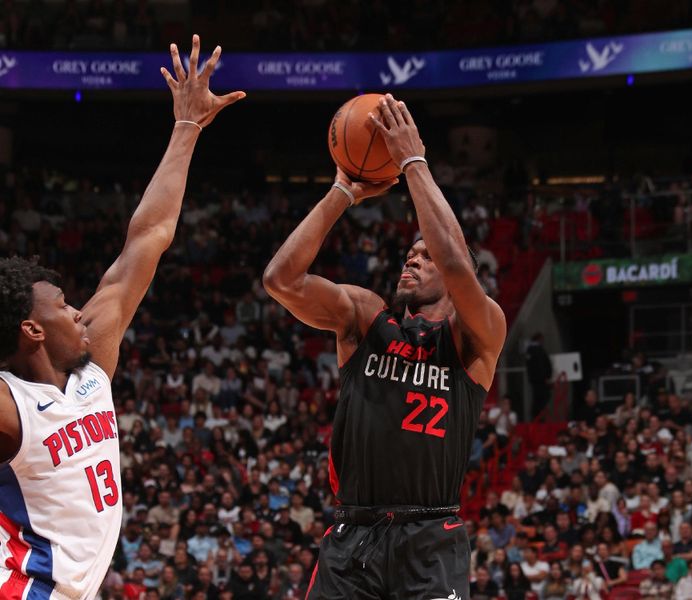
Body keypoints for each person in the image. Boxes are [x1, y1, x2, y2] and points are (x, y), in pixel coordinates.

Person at [0, 35, 243, 599]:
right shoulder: (12, 408)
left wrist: (188, 129)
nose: (77, 310)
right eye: (61, 305)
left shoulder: (91, 367)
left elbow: (148, 238)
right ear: (31, 330)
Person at [263, 93, 506, 600]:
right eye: (409, 254)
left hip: (430, 539)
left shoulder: (475, 336)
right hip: (353, 536)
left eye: (425, 255)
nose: (411, 261)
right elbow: (280, 280)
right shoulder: (366, 319)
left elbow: (458, 261)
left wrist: (414, 162)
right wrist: (341, 192)